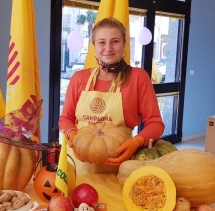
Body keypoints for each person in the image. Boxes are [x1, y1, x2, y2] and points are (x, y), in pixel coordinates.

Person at [58, 17, 165, 174]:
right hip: (77, 165)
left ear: (123, 45)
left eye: (115, 41)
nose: (108, 48)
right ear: (94, 46)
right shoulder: (78, 78)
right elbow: (65, 119)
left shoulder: (138, 78)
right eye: (102, 42)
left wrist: (136, 142)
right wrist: (73, 135)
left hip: (120, 166)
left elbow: (156, 124)